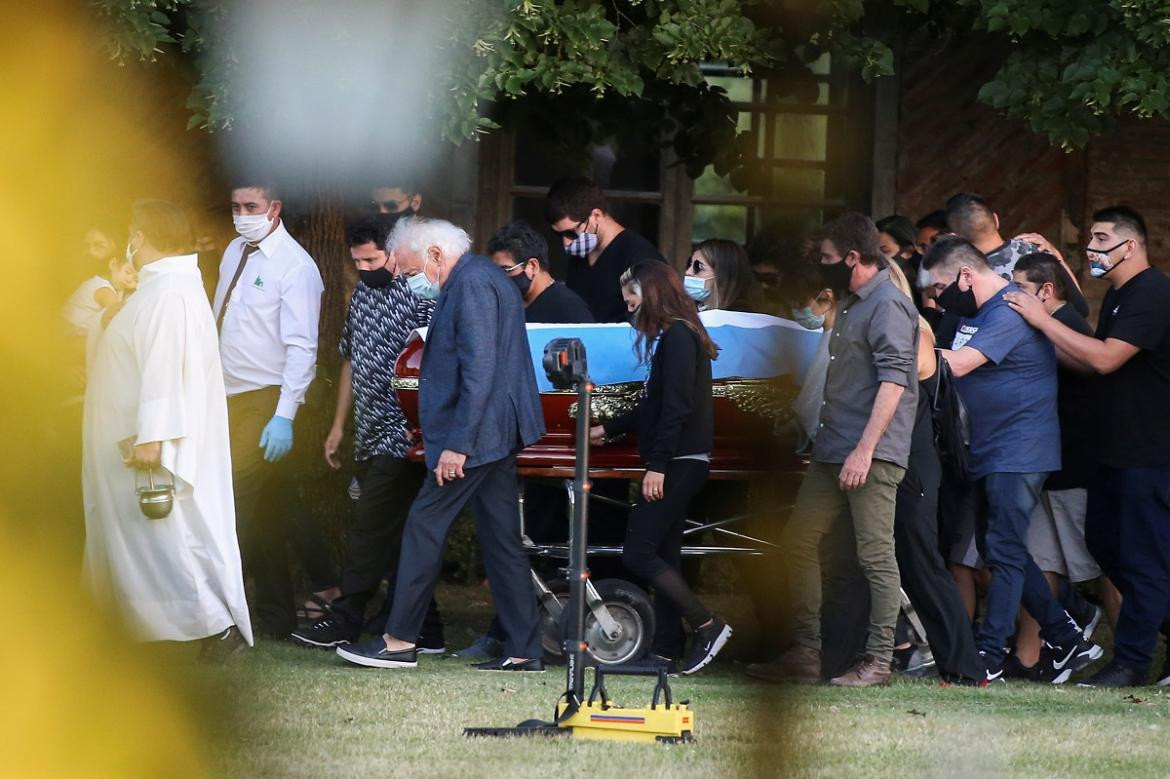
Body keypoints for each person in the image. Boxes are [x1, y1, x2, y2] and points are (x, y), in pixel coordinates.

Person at [336, 217, 545, 671]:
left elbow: (480, 370)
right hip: (493, 435)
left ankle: (399, 640)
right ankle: (525, 649)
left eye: (411, 272)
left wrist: (457, 446)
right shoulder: (482, 276)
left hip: (476, 438)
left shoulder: (469, 284)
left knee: (423, 524)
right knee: (502, 540)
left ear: (434, 255)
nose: (411, 283)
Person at [1005, 206, 1170, 687]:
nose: (1092, 248)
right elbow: (1092, 362)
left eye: (1101, 238)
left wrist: (1040, 317)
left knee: (1145, 559)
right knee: (1105, 545)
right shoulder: (1120, 294)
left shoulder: (1153, 292)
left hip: (1150, 451)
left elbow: (1104, 359)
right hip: (1115, 452)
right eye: (1090, 239)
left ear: (1131, 245)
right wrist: (1037, 344)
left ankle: (1132, 663)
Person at [924, 236, 1100, 683]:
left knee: (1001, 550)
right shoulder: (979, 313)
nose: (935, 296)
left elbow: (959, 365)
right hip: (989, 449)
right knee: (1000, 548)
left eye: (940, 285)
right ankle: (1066, 638)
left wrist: (899, 356)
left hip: (1018, 449)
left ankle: (988, 652)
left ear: (966, 275)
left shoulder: (1007, 309)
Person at [82, 199, 251, 659]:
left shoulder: (170, 293)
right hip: (124, 443)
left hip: (142, 448)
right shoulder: (159, 290)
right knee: (140, 547)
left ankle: (215, 630)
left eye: (129, 235)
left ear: (138, 238)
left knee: (164, 544)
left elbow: (164, 367)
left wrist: (152, 435)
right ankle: (131, 632)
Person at [765, 212, 920, 687]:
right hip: (835, 447)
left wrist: (865, 450)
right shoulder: (853, 303)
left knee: (875, 555)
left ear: (853, 258)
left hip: (868, 452)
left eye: (828, 259)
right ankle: (807, 653)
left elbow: (895, 381)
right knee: (798, 543)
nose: (821, 265)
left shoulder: (889, 305)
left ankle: (879, 660)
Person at [290, 218, 445, 651]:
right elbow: (350, 360)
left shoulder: (419, 296)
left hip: (406, 435)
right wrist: (339, 425)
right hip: (369, 431)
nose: (364, 267)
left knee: (369, 527)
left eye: (372, 258)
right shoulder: (360, 294)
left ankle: (347, 615)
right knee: (395, 533)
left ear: (392, 253)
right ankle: (426, 626)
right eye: (357, 260)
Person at [587, 260, 730, 674]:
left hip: (677, 463)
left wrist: (658, 466)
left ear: (650, 293)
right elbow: (656, 406)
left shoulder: (678, 339)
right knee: (664, 553)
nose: (628, 305)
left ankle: (707, 624)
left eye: (631, 296)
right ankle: (667, 647)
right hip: (677, 461)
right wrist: (609, 428)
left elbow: (675, 409)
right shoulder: (677, 337)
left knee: (639, 552)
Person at [212, 177, 334, 637]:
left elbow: (302, 347)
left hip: (265, 400)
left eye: (251, 205)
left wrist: (284, 414)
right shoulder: (233, 251)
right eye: (236, 205)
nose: (242, 213)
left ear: (274, 208)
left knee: (231, 501)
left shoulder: (295, 267)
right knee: (267, 512)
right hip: (225, 395)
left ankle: (219, 614)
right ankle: (276, 616)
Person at [1005, 252, 1115, 678]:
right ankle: (1034, 657)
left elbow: (1090, 370)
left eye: (1019, 288)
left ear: (1046, 292)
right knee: (1040, 562)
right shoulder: (1044, 325)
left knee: (1106, 568)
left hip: (1077, 468)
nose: (1010, 296)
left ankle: (1130, 659)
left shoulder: (1068, 327)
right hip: (1047, 467)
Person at [545, 176, 665, 323]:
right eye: (559, 234)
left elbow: (653, 326)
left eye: (571, 232)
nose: (566, 242)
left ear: (596, 215)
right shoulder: (579, 257)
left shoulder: (642, 259)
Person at [488, 219, 594, 323]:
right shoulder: (508, 304)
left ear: (533, 266)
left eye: (506, 270)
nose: (499, 278)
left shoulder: (568, 307)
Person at [65, 228, 138, 338]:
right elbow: (116, 316)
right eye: (128, 272)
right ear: (113, 264)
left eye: (136, 279)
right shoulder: (105, 289)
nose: (130, 279)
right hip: (73, 333)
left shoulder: (117, 288)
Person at [683, 239, 764, 312]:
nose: (688, 272)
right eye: (689, 264)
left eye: (699, 267)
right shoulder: (691, 312)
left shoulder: (740, 320)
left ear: (724, 275)